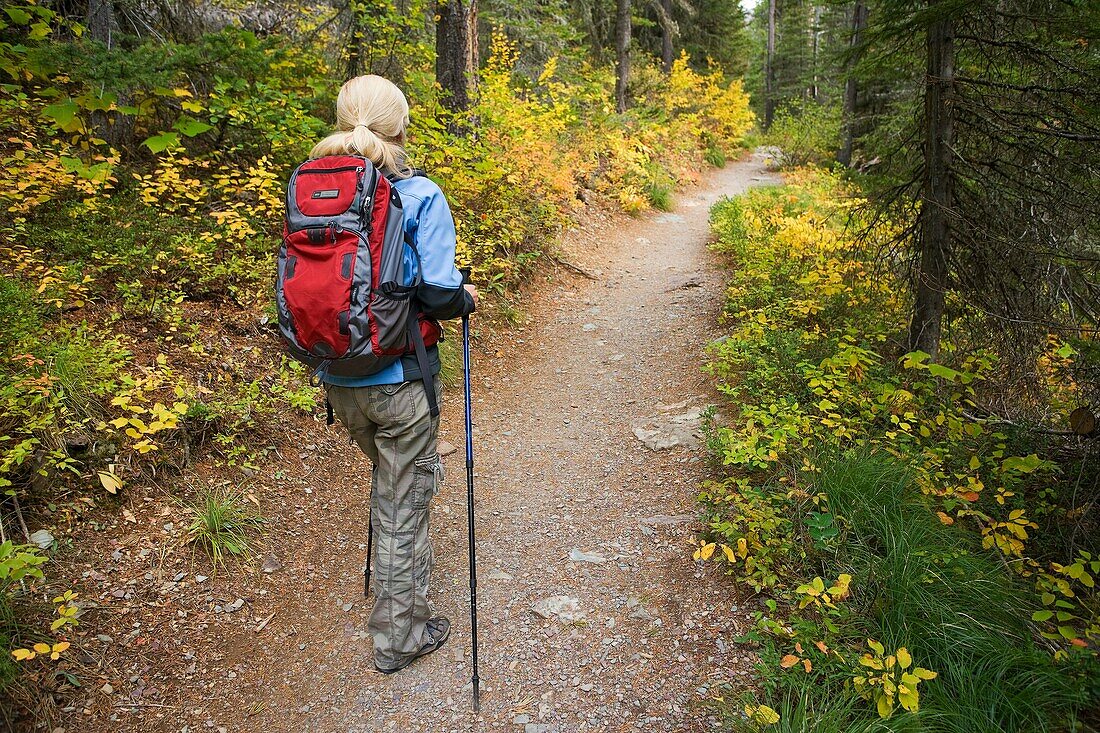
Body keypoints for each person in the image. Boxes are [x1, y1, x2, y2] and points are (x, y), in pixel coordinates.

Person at [309, 75, 477, 674]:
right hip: (401, 377)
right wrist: (465, 298)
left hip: (340, 378)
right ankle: (399, 637)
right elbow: (435, 290)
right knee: (404, 501)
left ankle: (392, 597)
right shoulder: (420, 193)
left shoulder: (313, 189)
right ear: (400, 126)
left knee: (389, 484)